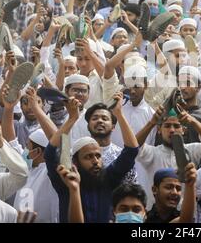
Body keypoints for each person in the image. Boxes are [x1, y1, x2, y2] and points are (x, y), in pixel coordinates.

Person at [45, 93, 139, 223]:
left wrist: (119, 114)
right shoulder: (65, 181)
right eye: (88, 157)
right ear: (75, 163)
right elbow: (51, 152)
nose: (95, 161)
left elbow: (132, 150)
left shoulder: (108, 178)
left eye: (98, 156)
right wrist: (72, 118)